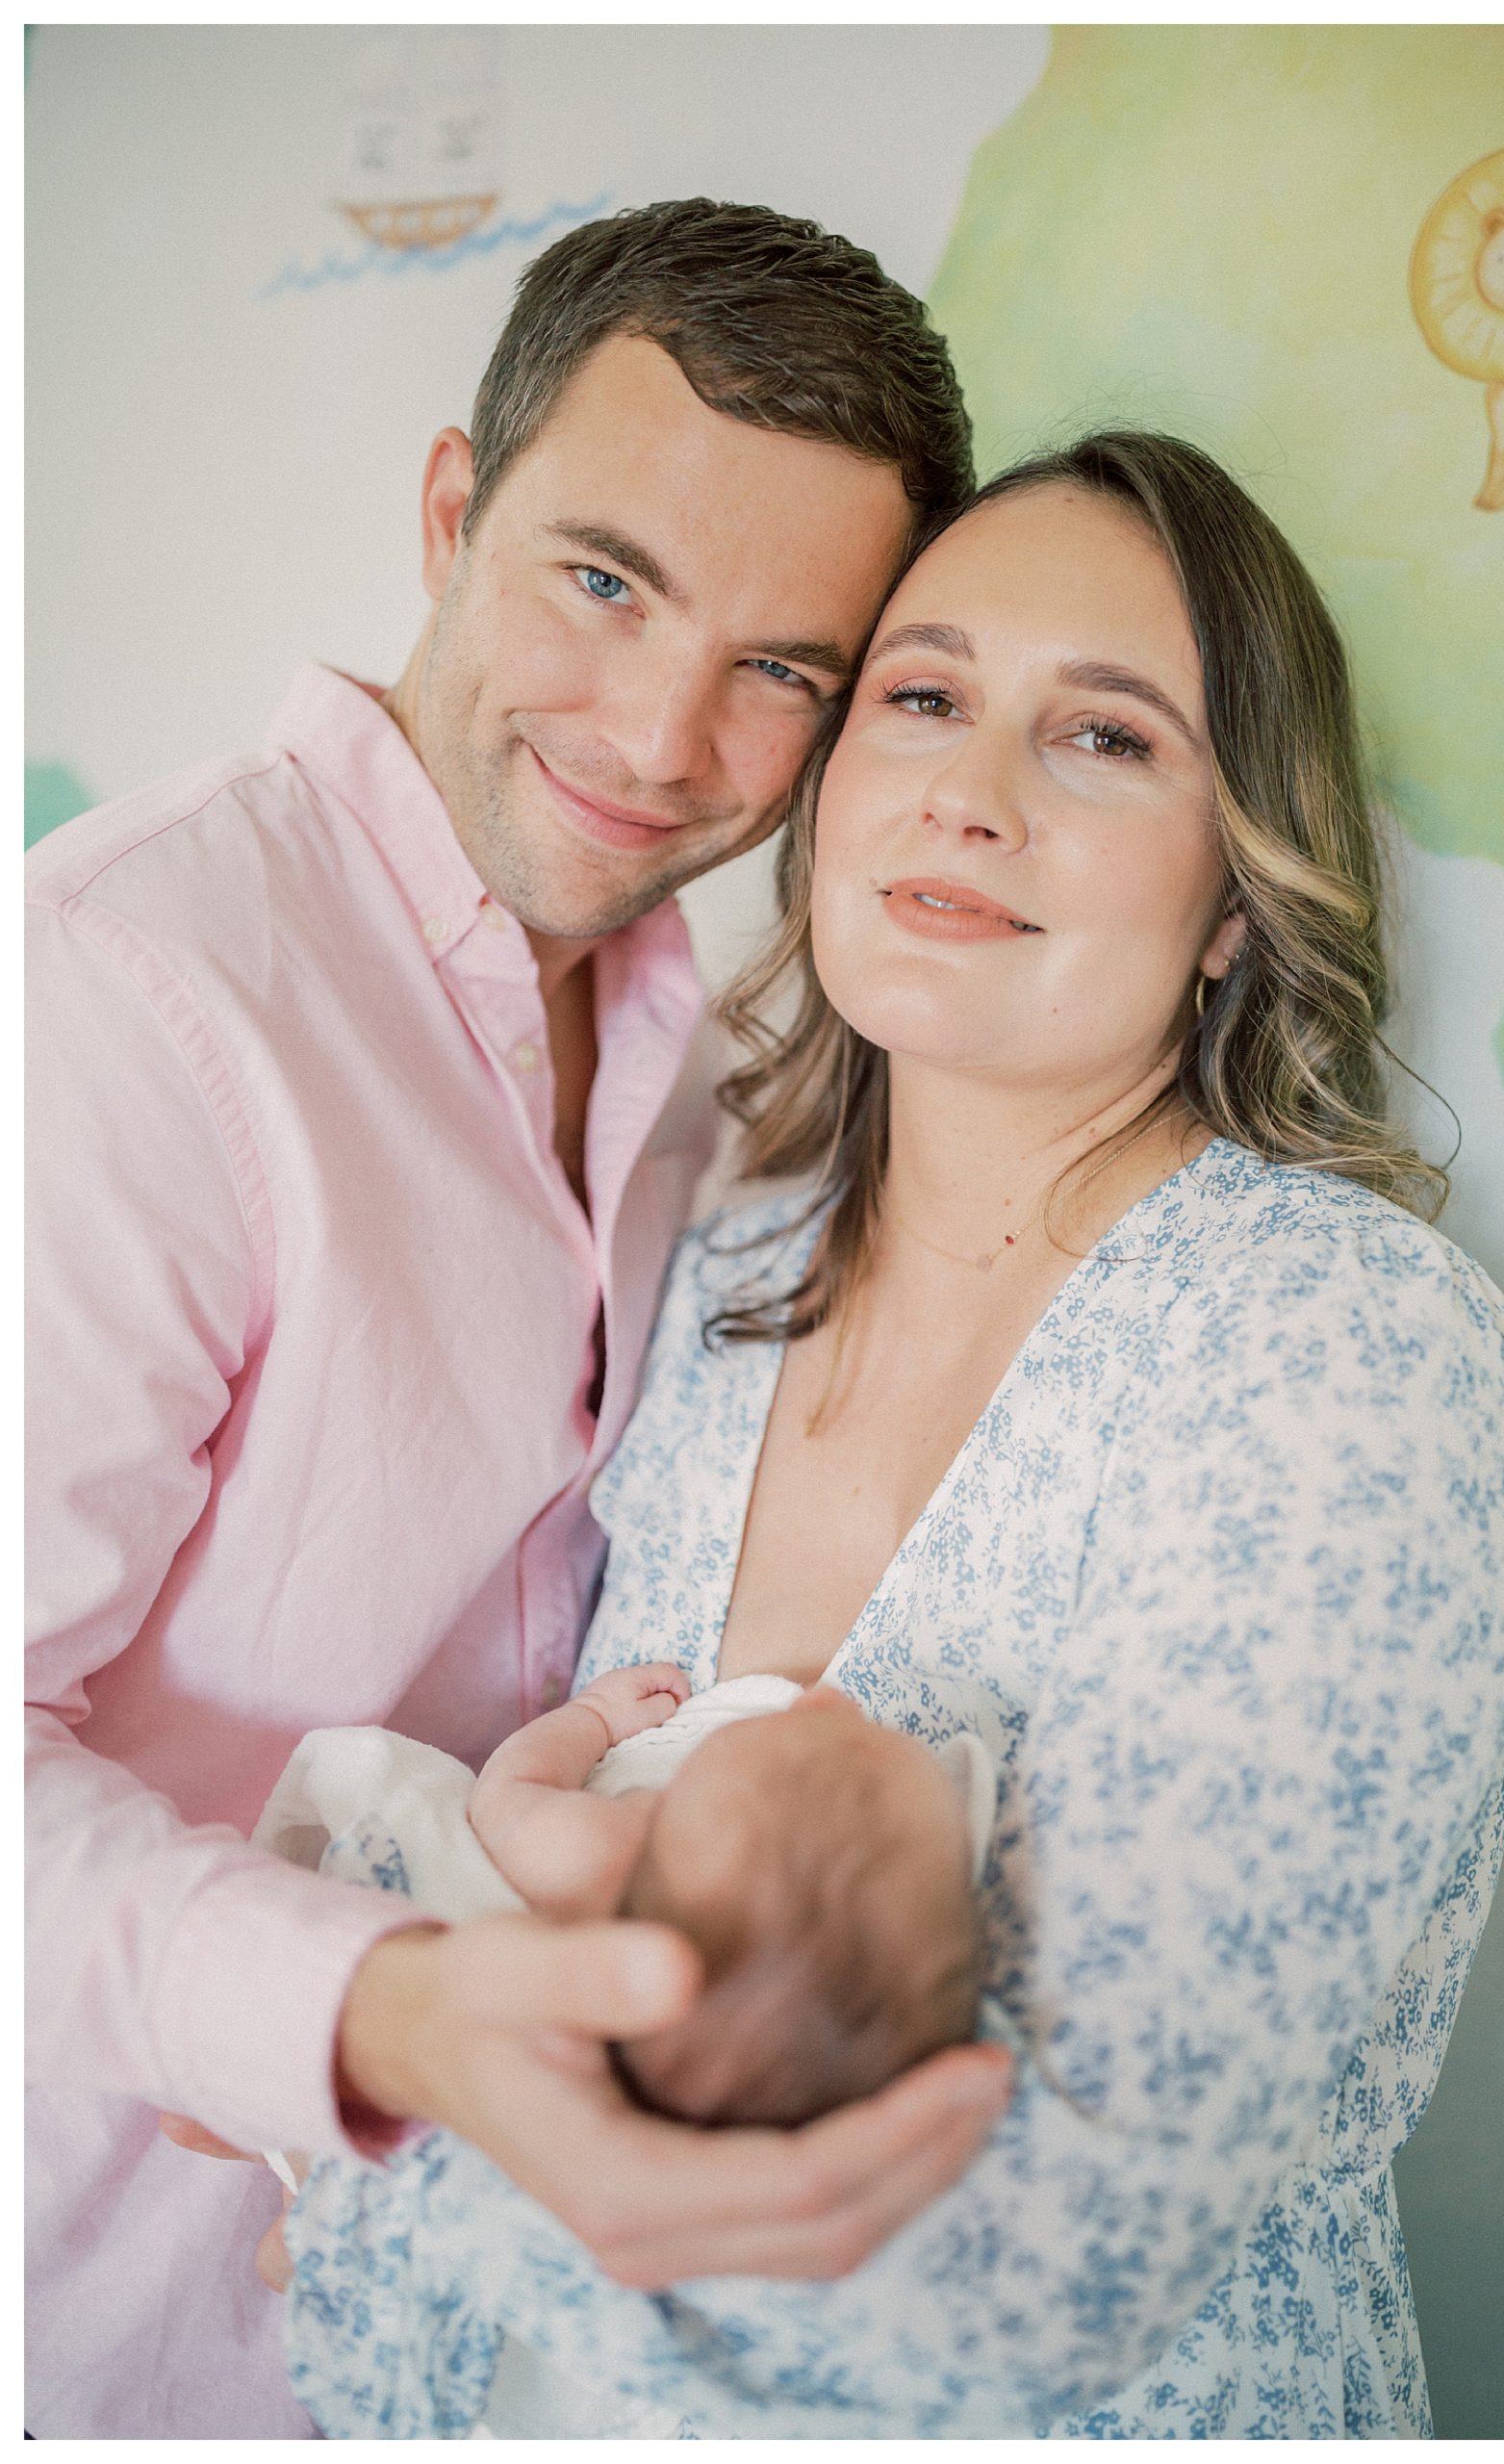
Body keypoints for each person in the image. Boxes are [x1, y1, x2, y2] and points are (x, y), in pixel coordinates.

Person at [280, 429, 1504, 2440]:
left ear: (1238, 894)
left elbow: (1073, 2246)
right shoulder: (716, 1258)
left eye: (1109, 738)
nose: (968, 795)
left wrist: (385, 2147)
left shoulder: (1339, 1355)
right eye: (927, 697)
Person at [24, 198, 1016, 2441]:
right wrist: (395, 2008)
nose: (665, 738)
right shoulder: (119, 995)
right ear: (452, 506)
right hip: (121, 2334)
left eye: (784, 668)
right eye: (603, 578)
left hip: (475, 2332)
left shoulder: (714, 1049)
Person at [254, 1665, 990, 2133]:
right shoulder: (723, 2084)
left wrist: (596, 1719)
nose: (829, 1702)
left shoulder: (590, 1854)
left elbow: (512, 1787)